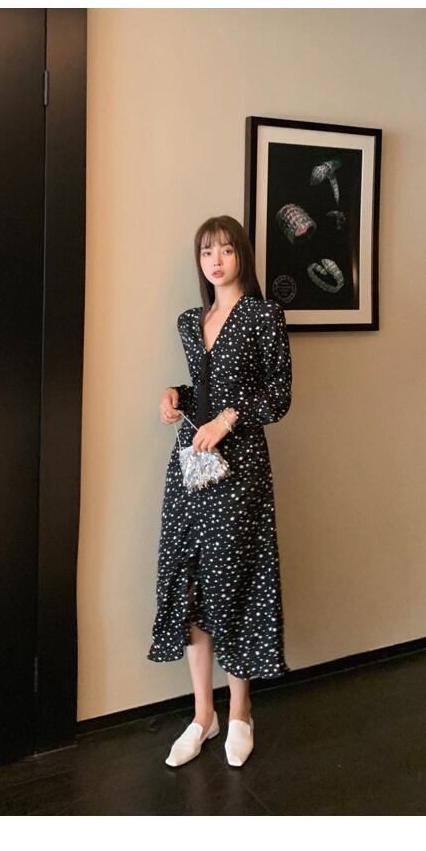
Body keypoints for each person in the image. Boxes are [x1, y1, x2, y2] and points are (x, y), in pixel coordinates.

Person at [148, 214, 293, 768]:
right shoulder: (191, 321)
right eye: (207, 251)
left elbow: (278, 396)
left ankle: (240, 713)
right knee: (192, 583)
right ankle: (202, 715)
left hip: (241, 468)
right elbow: (204, 389)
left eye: (226, 250)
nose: (216, 260)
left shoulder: (262, 315)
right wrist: (174, 395)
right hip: (191, 467)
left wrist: (229, 419)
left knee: (234, 581)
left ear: (241, 257)